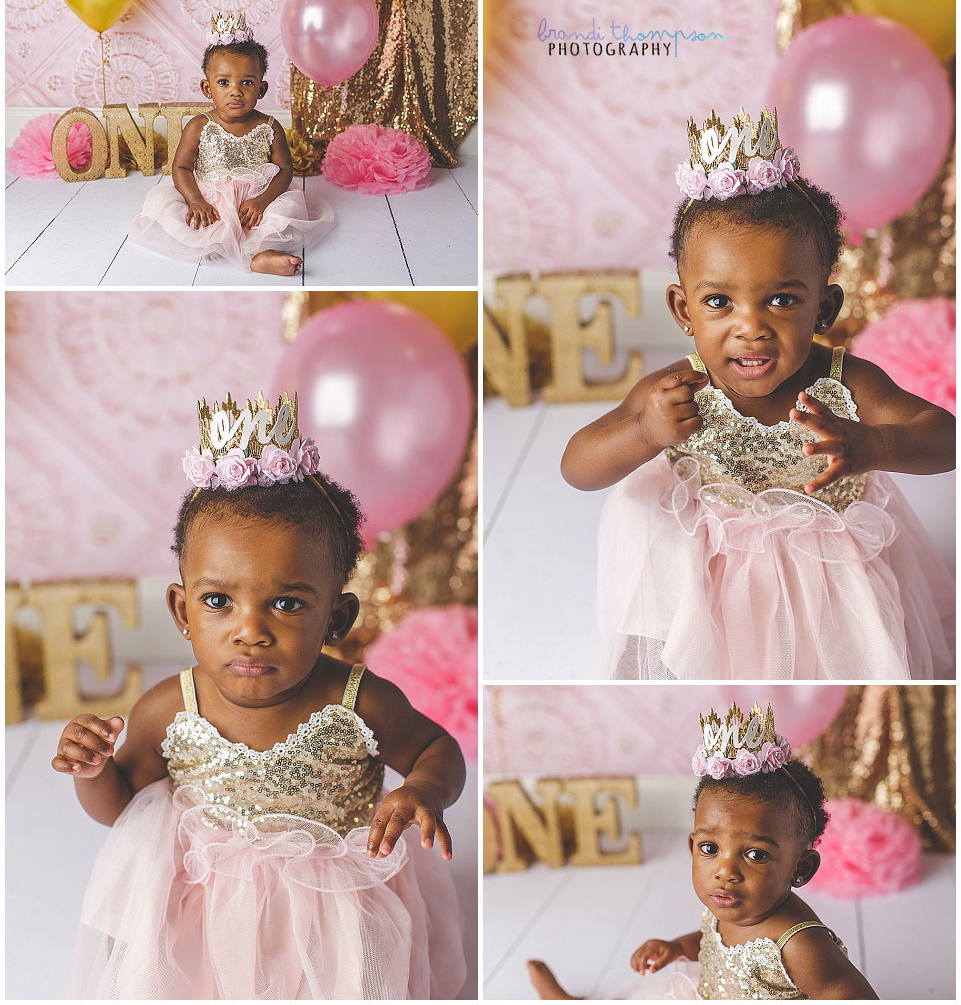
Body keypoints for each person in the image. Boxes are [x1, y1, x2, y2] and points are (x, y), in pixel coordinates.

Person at [54, 392, 466, 999]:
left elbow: (438, 748)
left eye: (288, 603)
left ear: (337, 616)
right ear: (182, 610)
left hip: (337, 905)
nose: (250, 628)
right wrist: (91, 771)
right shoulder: (171, 707)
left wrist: (422, 789)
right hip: (206, 906)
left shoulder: (357, 699)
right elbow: (122, 807)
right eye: (218, 601)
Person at [563, 107, 955, 680]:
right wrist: (643, 431)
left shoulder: (847, 384)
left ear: (824, 307)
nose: (751, 326)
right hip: (706, 575)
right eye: (719, 302)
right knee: (688, 644)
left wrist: (875, 445)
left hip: (825, 575)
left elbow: (946, 438)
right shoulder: (678, 389)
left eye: (782, 299)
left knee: (841, 656)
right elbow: (578, 466)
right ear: (683, 309)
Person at [528, 702, 878, 1001]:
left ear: (800, 868)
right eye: (710, 848)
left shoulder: (800, 943)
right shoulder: (732, 903)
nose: (726, 870)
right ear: (692, 847)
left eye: (755, 854)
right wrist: (678, 947)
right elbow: (715, 945)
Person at [129, 11, 333, 275]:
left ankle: (262, 254)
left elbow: (284, 170)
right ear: (207, 88)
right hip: (210, 200)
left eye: (247, 82)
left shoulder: (269, 127)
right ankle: (212, 242)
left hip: (256, 200)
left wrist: (263, 199)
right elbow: (180, 168)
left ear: (261, 89)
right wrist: (195, 200)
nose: (235, 91)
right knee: (169, 210)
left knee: (282, 213)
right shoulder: (198, 126)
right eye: (223, 82)